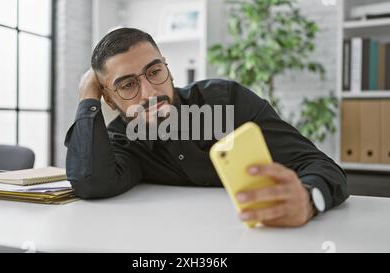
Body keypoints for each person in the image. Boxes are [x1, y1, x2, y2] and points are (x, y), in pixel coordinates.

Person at [65, 27, 349, 227]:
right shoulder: (123, 138)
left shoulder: (227, 101)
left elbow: (319, 165)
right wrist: (88, 96)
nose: (150, 92)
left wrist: (309, 201)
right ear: (110, 100)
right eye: (127, 85)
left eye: (154, 71)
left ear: (168, 68)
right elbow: (92, 182)